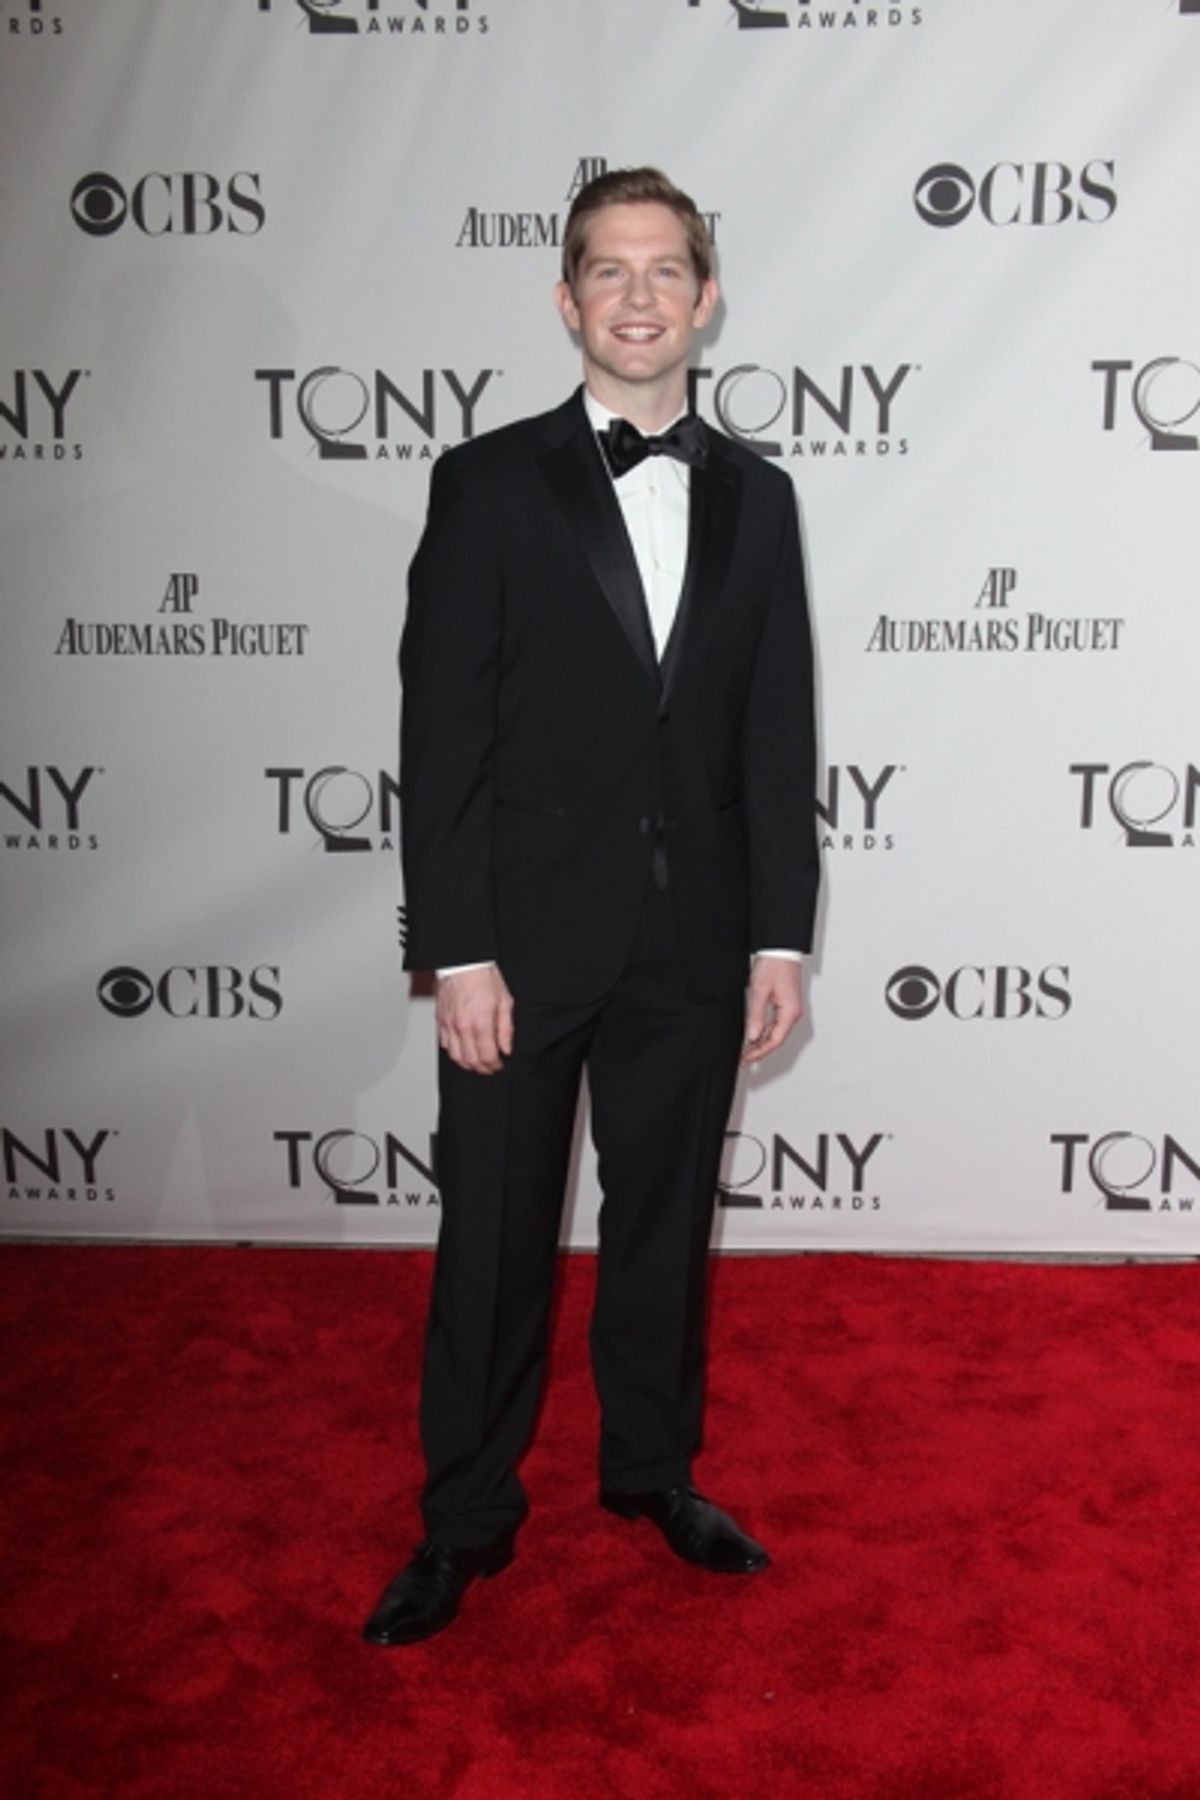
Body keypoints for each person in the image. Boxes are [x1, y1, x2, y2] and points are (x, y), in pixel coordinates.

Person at [364, 167, 819, 1647]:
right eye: (608, 272)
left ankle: (651, 1475)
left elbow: (774, 729)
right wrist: (458, 950)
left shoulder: (762, 496)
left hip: (692, 944)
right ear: (567, 301)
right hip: (521, 940)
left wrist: (777, 935)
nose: (638, 296)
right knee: (491, 1237)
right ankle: (466, 1520)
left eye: (664, 269)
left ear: (706, 296)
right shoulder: (489, 483)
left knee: (664, 1227)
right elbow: (442, 731)